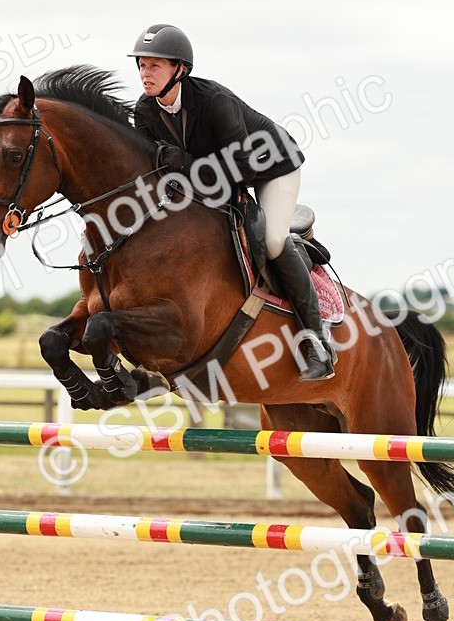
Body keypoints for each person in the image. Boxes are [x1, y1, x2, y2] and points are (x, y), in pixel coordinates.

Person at [128, 23, 335, 381]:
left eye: (155, 66)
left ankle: (317, 343)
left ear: (180, 69)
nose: (146, 73)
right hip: (215, 178)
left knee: (273, 241)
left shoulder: (213, 101)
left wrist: (185, 163)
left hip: (271, 166)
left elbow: (242, 168)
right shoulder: (145, 111)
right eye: (142, 65)